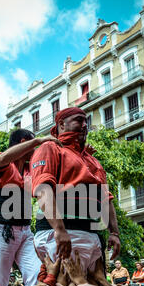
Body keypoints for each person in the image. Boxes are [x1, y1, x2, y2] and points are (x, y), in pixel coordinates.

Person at [31, 107, 120, 273]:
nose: (85, 125)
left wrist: (114, 233)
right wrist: (59, 229)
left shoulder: (93, 161)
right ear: (62, 125)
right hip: (61, 233)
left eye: (86, 121)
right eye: (79, 120)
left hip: (92, 235)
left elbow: (106, 198)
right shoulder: (49, 148)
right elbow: (43, 189)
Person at [0, 129, 58, 286]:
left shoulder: (29, 170)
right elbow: (4, 157)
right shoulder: (1, 163)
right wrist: (39, 140)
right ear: (24, 142)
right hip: (2, 230)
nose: (36, 150)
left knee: (36, 275)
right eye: (33, 145)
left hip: (25, 232)